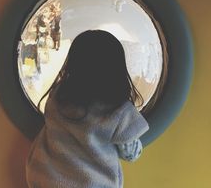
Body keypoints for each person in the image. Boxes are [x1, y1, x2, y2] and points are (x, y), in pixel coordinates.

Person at [25, 30, 149, 188]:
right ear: (117, 70)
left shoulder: (58, 96)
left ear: (73, 64)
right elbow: (131, 154)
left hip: (44, 178)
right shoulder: (118, 111)